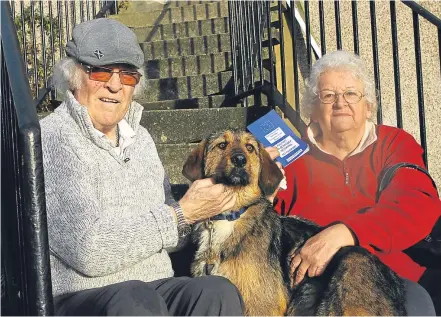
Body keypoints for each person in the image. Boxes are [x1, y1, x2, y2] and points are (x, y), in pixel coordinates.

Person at [40, 18, 244, 316]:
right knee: (135, 297)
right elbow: (88, 250)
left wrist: (205, 205)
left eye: (127, 76)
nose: (114, 85)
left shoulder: (140, 138)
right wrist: (180, 214)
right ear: (73, 76)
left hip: (153, 289)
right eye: (100, 71)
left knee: (215, 291)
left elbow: (176, 234)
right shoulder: (53, 138)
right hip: (81, 297)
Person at [273, 50, 441, 315]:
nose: (341, 103)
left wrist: (347, 232)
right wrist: (263, 183)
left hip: (395, 276)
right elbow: (266, 222)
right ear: (312, 110)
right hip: (316, 287)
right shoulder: (291, 157)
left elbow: (417, 203)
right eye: (328, 96)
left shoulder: (394, 144)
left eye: (351, 94)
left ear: (368, 106)